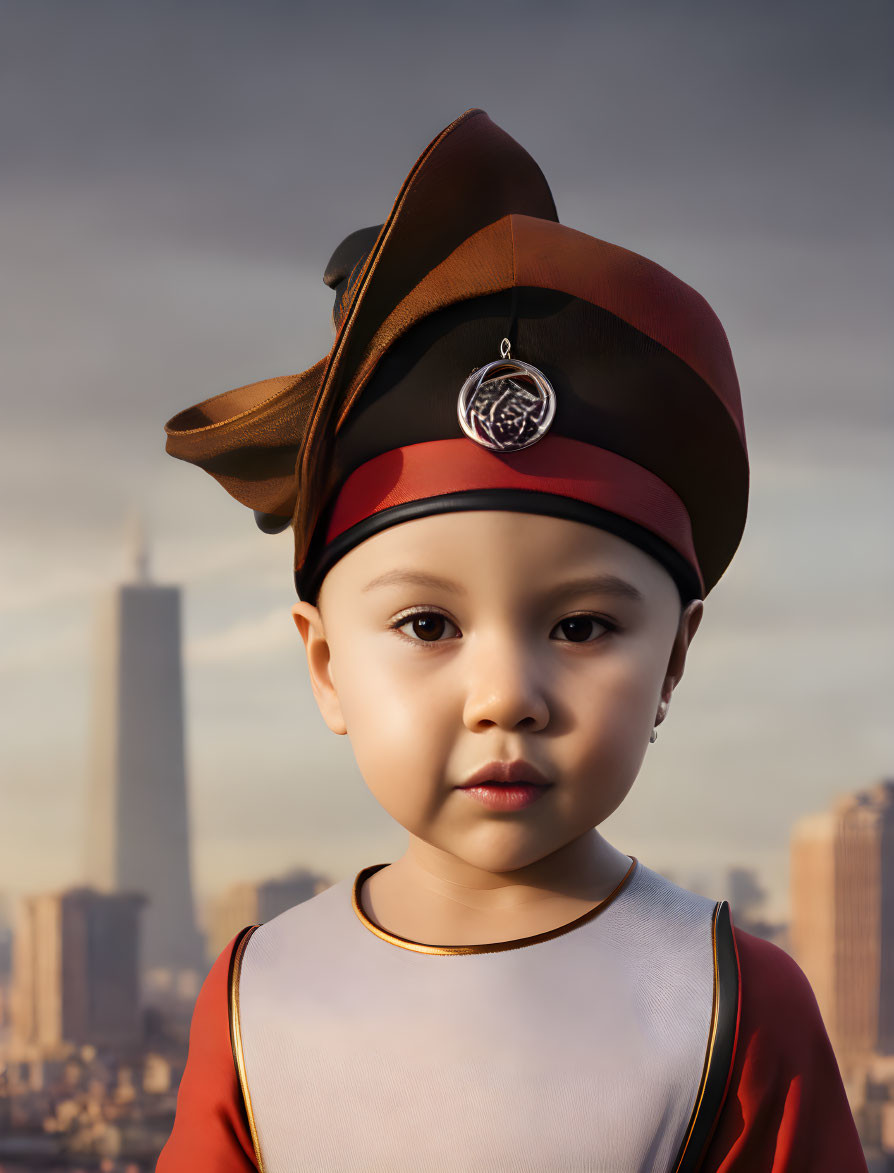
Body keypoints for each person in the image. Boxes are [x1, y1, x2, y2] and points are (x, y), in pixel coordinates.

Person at [156, 109, 866, 1172]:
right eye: (427, 624)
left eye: (582, 626)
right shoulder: (258, 993)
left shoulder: (732, 1001)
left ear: (673, 659)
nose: (506, 695)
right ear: (325, 664)